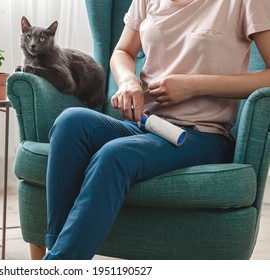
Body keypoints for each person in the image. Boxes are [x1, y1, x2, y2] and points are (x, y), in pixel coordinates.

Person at [39, 0, 270, 260]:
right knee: (70, 122)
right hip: (145, 124)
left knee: (115, 155)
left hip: (203, 135)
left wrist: (194, 85)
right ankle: (58, 252)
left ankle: (59, 265)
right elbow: (123, 51)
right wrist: (127, 81)